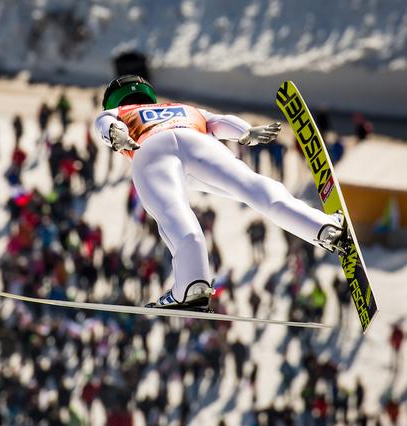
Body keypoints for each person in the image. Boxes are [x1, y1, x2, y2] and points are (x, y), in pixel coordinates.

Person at [95, 75, 348, 308]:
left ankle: (192, 284)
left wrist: (116, 135)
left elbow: (105, 123)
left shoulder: (118, 111)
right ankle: (322, 227)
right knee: (251, 186)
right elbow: (217, 122)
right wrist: (246, 133)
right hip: (198, 141)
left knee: (174, 213)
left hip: (150, 149)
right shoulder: (181, 107)